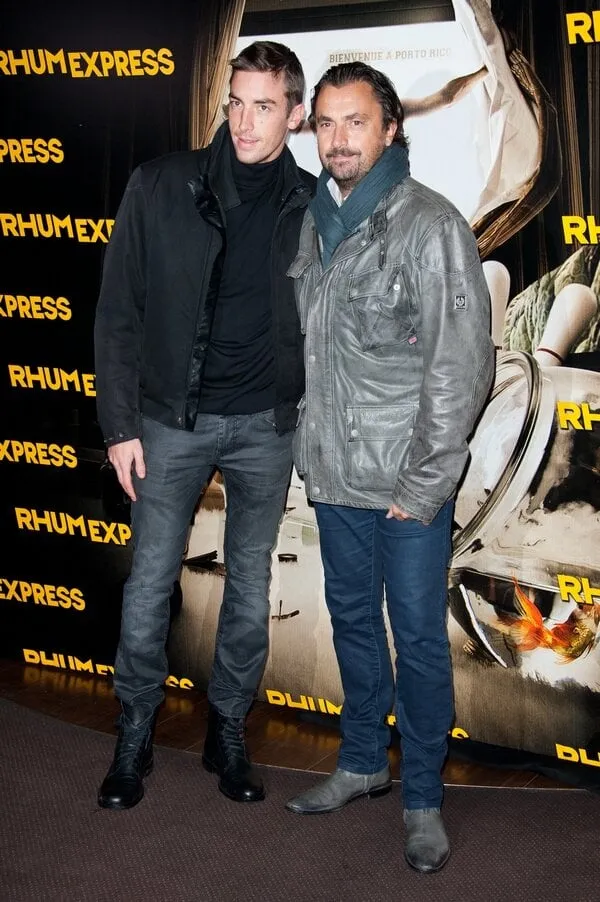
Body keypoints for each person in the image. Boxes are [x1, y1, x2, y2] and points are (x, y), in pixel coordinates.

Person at [284, 62, 494, 874]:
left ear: (391, 128)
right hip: (335, 476)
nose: (338, 139)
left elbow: (460, 365)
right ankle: (364, 760)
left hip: (409, 485)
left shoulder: (429, 225)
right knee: (352, 626)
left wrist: (424, 484)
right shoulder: (312, 222)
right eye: (327, 123)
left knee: (417, 638)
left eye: (356, 122)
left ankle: (423, 800)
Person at [94, 40, 315, 810]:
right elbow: (118, 313)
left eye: (264, 106)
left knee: (249, 587)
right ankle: (135, 729)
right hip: (169, 425)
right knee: (151, 582)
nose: (245, 121)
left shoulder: (314, 203)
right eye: (236, 102)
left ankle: (228, 727)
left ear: (295, 112)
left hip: (266, 427)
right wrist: (120, 427)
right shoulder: (159, 185)